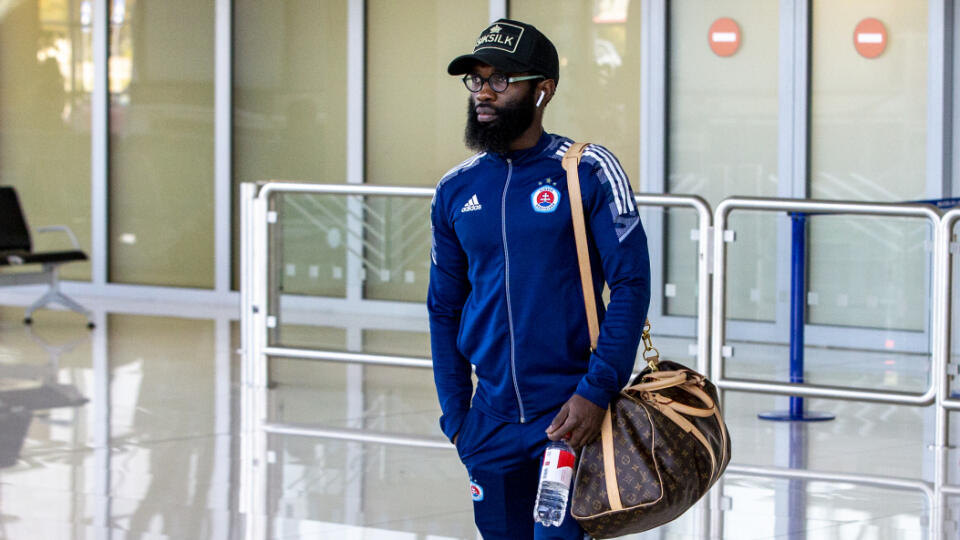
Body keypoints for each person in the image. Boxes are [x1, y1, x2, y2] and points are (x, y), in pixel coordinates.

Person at [427, 18, 651, 540]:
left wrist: (596, 391)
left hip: (571, 421)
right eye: (476, 80)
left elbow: (631, 283)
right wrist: (458, 417)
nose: (484, 92)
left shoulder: (587, 170)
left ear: (542, 90)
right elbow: (444, 307)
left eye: (501, 80)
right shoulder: (456, 189)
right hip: (489, 423)